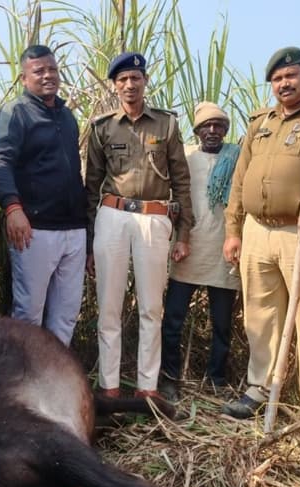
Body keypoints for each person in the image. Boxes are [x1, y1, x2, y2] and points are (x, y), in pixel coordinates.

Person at [221, 46, 300, 419]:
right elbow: (240, 179)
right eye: (277, 79)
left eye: (291, 75)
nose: (284, 83)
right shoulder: (259, 122)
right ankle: (259, 387)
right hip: (257, 231)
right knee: (259, 315)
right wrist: (233, 230)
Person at [85, 52, 193, 399]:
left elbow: (182, 181)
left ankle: (147, 388)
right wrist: (90, 241)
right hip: (112, 216)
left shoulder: (166, 124)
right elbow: (91, 186)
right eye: (122, 80)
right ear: (114, 86)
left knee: (151, 308)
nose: (129, 85)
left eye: (135, 78)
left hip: (154, 219)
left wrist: (183, 233)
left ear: (145, 81)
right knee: (109, 307)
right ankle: (109, 387)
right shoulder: (102, 127)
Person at [0, 45, 86, 344]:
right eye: (39, 71)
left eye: (52, 69)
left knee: (66, 315)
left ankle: (56, 373)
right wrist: (13, 208)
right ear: (23, 78)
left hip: (74, 229)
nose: (47, 76)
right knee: (29, 313)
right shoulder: (15, 111)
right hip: (35, 229)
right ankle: (23, 372)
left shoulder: (67, 116)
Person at [159, 102, 240, 402]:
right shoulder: (185, 158)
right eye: (206, 126)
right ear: (197, 131)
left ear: (226, 130)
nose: (213, 131)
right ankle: (170, 379)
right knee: (172, 321)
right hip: (188, 248)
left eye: (219, 126)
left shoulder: (237, 158)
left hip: (224, 251)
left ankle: (216, 380)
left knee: (222, 325)